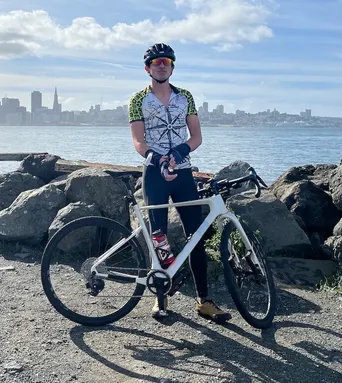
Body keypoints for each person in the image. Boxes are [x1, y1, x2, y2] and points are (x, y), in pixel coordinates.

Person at [127, 42, 232, 324]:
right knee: (158, 235)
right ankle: (160, 298)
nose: (162, 65)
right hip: (154, 173)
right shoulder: (138, 100)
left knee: (195, 236)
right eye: (156, 62)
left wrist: (177, 153)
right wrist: (157, 157)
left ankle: (204, 301)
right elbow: (138, 140)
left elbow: (196, 137)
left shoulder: (185, 96)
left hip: (183, 172)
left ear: (172, 66)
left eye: (166, 61)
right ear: (147, 68)